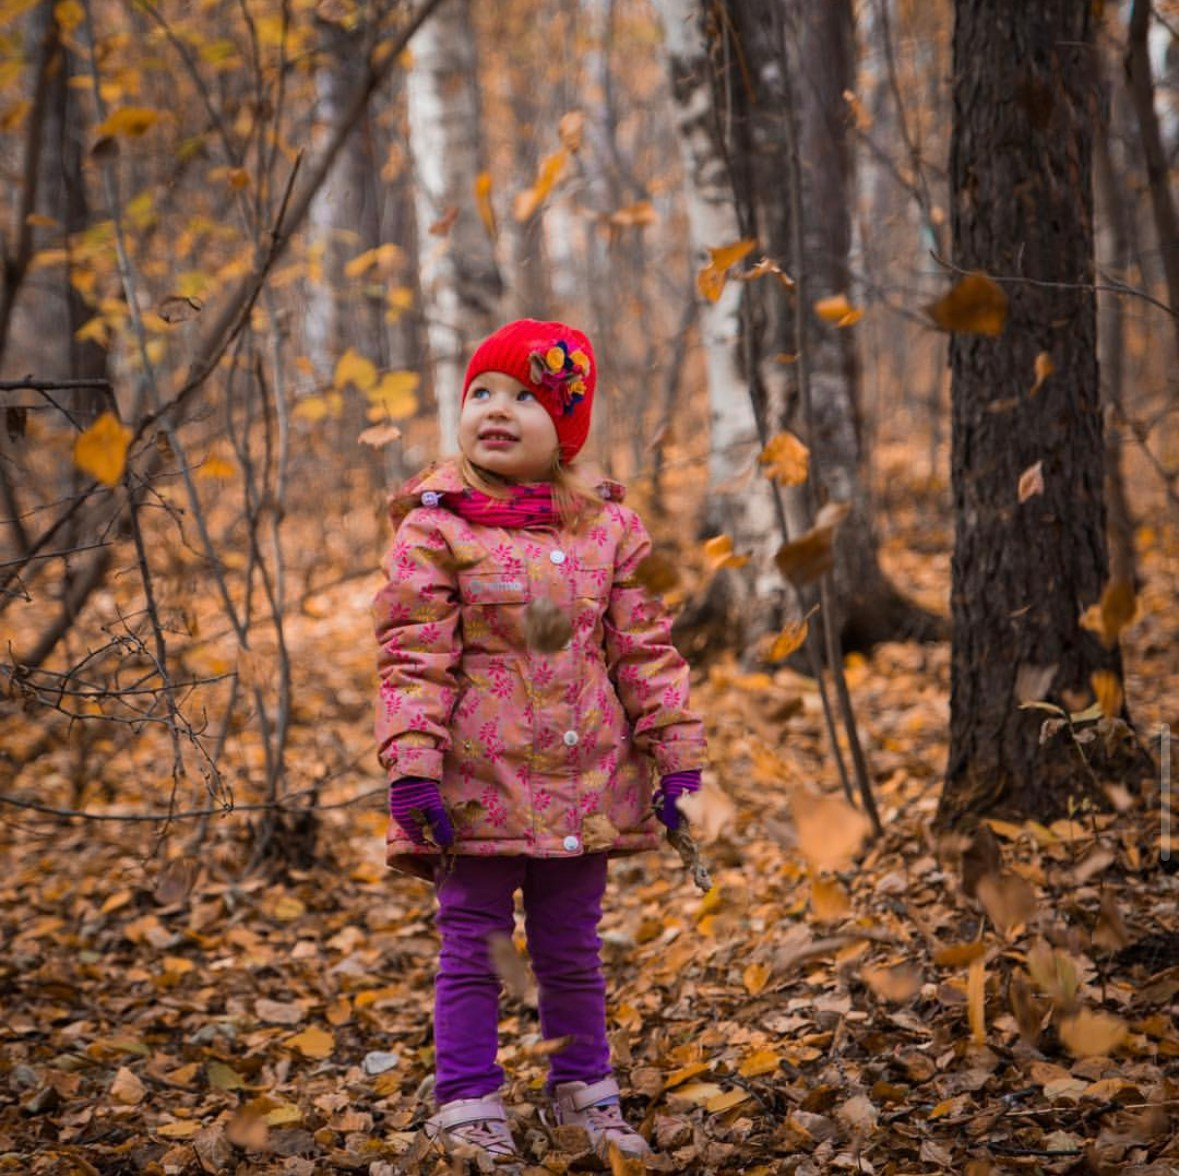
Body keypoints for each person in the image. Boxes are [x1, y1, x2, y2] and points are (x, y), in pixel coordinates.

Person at [373, 319, 708, 1168]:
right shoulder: (435, 529)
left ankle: (584, 1093)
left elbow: (644, 652)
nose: (496, 409)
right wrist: (411, 768)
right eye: (482, 392)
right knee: (474, 947)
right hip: (473, 784)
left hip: (583, 783)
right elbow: (412, 658)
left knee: (570, 951)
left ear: (565, 428)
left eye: (525, 398)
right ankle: (467, 1102)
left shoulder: (608, 529)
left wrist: (678, 761)